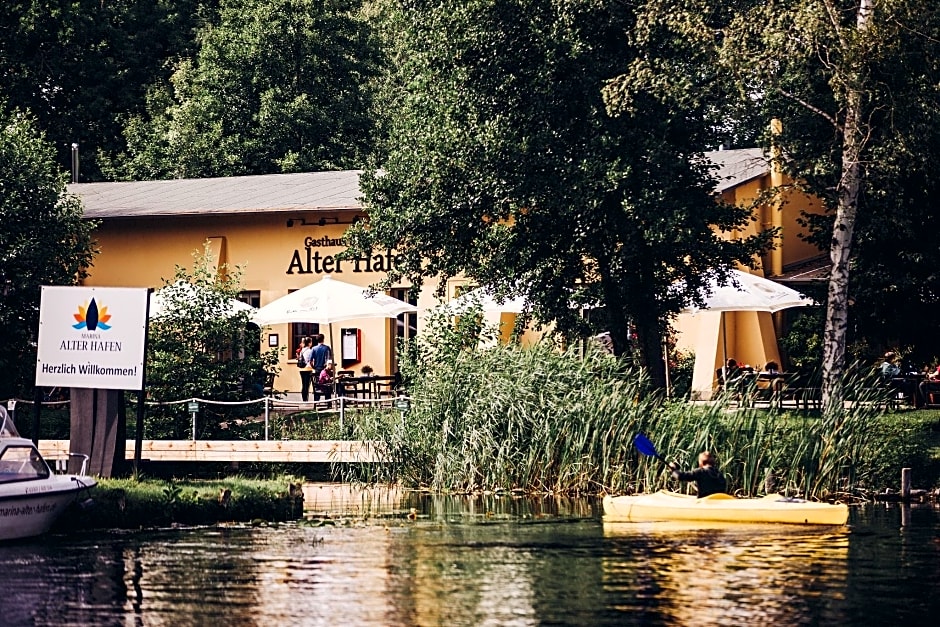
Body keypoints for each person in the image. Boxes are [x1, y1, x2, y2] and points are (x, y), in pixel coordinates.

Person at [311, 334, 333, 401]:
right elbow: (329, 360)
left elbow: (311, 361)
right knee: (327, 385)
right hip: (325, 370)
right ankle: (328, 401)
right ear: (323, 339)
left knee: (317, 386)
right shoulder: (327, 348)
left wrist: (314, 367)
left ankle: (316, 401)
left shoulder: (314, 349)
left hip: (317, 369)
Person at [298, 337, 314, 402]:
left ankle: (304, 399)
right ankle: (305, 399)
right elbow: (311, 361)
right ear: (309, 343)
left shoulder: (302, 351)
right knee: (307, 385)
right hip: (308, 369)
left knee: (303, 384)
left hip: (302, 369)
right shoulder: (310, 351)